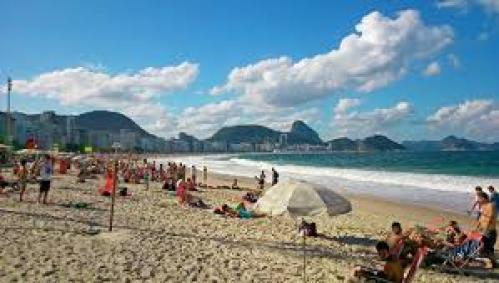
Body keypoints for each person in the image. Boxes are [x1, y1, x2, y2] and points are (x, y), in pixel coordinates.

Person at [476, 191, 497, 257]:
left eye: (478, 198)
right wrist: (476, 228)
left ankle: (493, 264)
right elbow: (481, 218)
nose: (477, 200)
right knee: (483, 250)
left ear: (483, 198)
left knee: (488, 251)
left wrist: (483, 231)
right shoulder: (483, 206)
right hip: (484, 231)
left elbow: (489, 219)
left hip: (489, 232)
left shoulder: (491, 205)